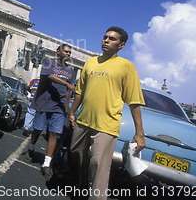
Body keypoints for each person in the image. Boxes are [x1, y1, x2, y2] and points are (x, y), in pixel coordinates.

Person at [68, 27, 145, 200]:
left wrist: (139, 132)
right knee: (75, 153)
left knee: (98, 164)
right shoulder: (91, 62)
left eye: (112, 39)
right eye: (105, 37)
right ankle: (82, 186)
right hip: (84, 120)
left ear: (122, 45)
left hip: (107, 125)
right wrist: (72, 112)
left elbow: (134, 101)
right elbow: (80, 91)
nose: (106, 40)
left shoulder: (126, 66)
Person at [25, 44, 75, 181]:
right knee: (37, 129)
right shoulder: (49, 62)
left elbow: (68, 92)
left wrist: (66, 107)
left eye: (70, 52)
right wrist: (66, 84)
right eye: (66, 51)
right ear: (58, 51)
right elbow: (48, 76)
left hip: (58, 106)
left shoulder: (71, 70)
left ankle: (46, 163)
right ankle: (31, 148)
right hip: (44, 102)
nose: (68, 54)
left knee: (54, 133)